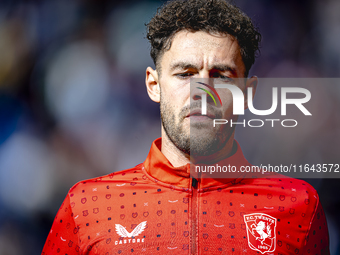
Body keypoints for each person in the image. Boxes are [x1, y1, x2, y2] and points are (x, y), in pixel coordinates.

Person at [42, 0, 330, 254]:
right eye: (185, 73)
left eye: (220, 75)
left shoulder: (299, 207)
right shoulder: (87, 207)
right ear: (153, 85)